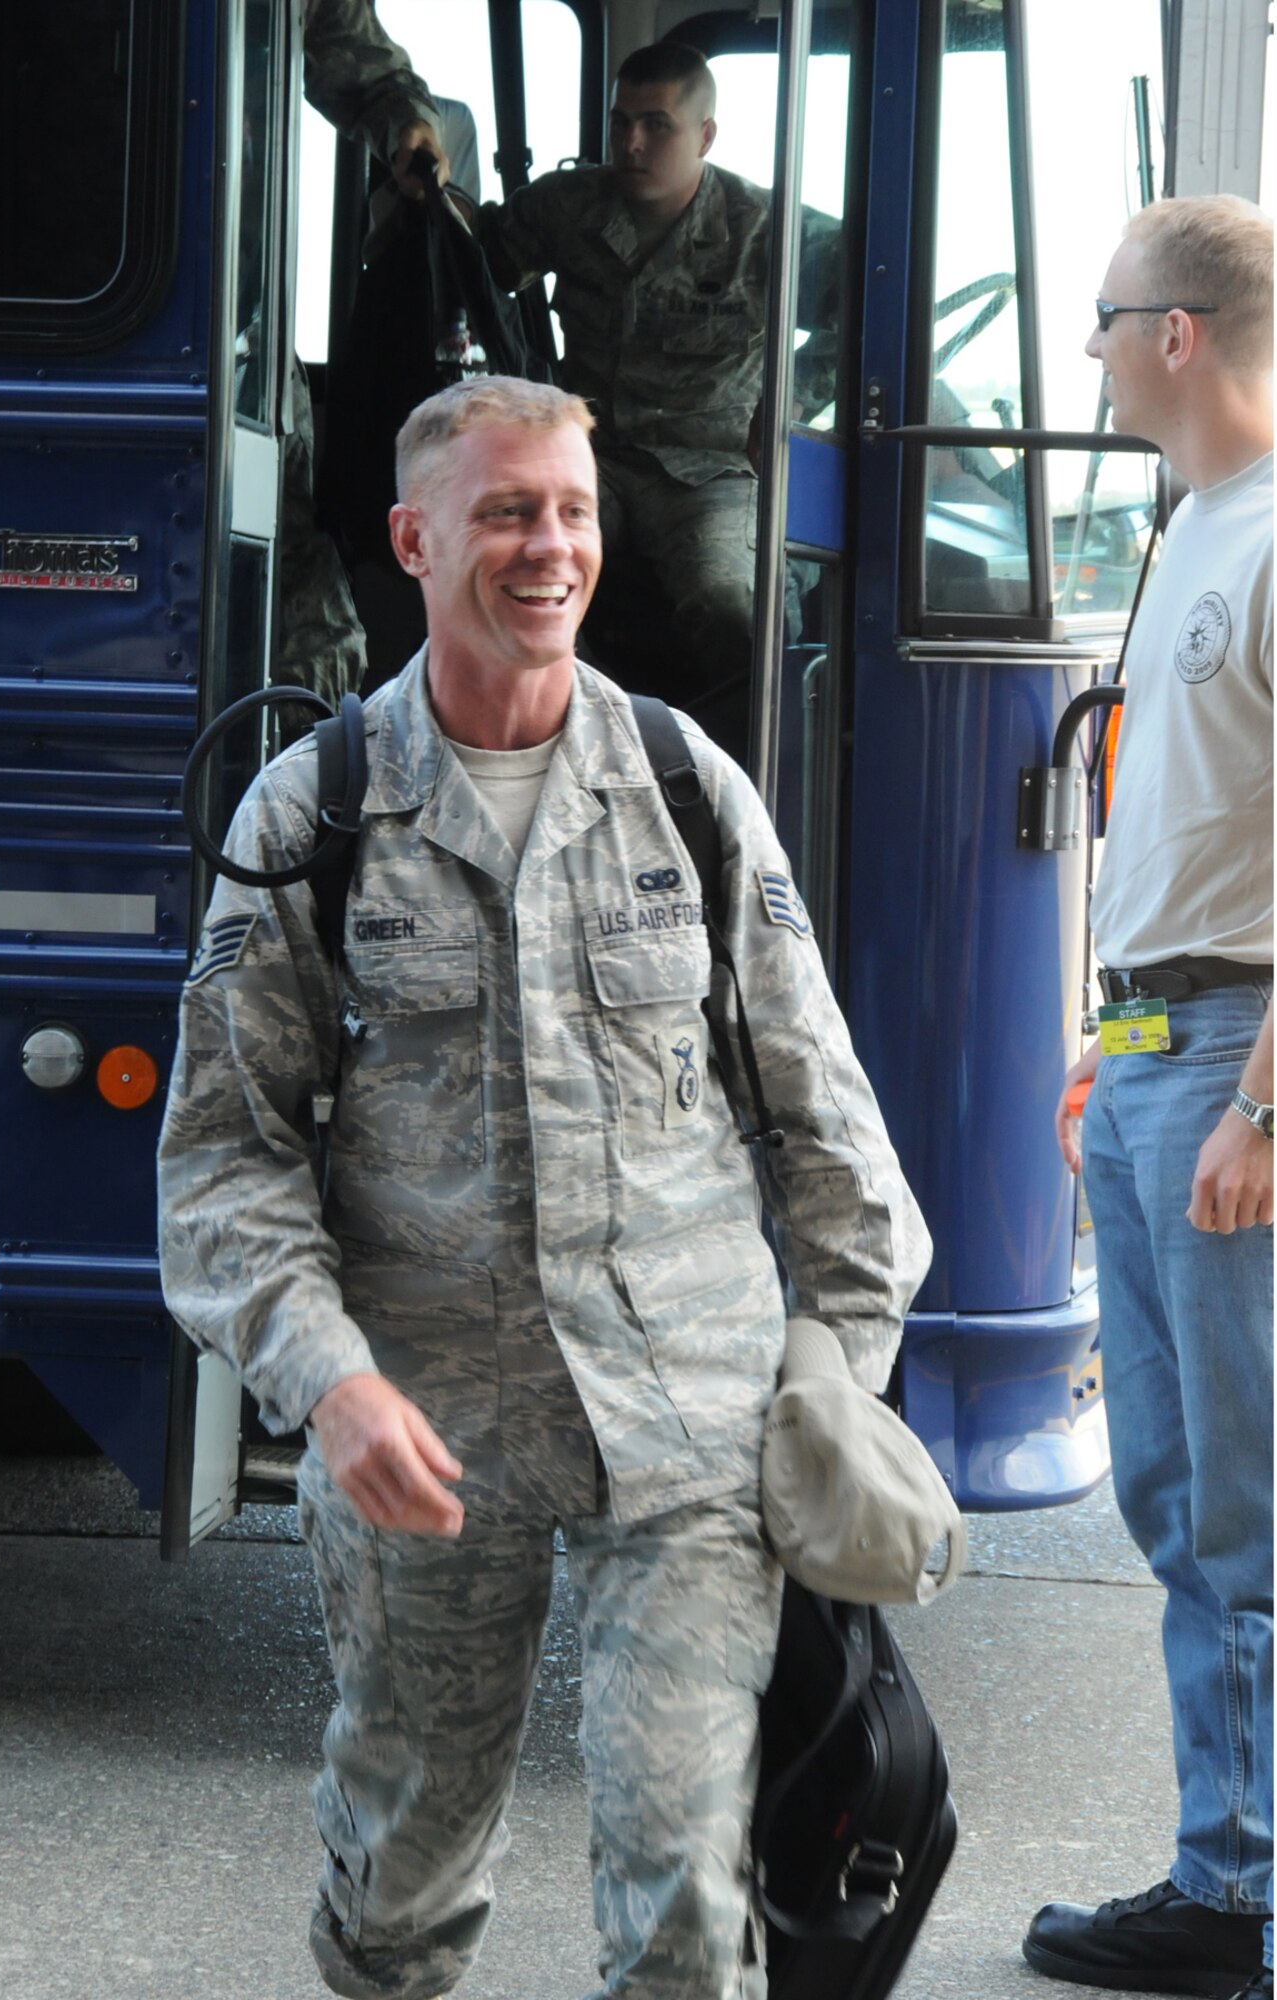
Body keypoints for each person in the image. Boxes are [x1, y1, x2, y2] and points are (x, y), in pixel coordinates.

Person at [157, 374, 930, 2000]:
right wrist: (329, 1382)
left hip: (691, 1435)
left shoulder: (683, 786)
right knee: (400, 1892)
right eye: (507, 509)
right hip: (424, 1442)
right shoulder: (314, 818)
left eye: (572, 510)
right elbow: (225, 1163)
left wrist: (829, 1385)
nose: (548, 546)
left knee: (680, 1903)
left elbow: (829, 1126)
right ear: (414, 537)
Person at [1023, 196, 1273, 2000]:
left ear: (1175, 332)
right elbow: (1186, 842)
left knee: (1239, 1514)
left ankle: (1235, 1898)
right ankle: (1225, 1873)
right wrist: (1101, 1054)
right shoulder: (1193, 525)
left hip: (1235, 1068)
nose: (1091, 350)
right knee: (1180, 1495)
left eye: (1103, 318)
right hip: (1154, 1060)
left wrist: (1265, 1105)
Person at [472, 42, 840, 761]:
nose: (631, 143)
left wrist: (786, 402)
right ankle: (524, 756)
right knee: (513, 570)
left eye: (656, 124)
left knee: (736, 606)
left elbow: (876, 302)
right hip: (587, 454)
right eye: (620, 122)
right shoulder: (566, 207)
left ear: (704, 135)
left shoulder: (763, 229)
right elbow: (474, 268)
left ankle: (737, 781)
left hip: (709, 467)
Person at [273, 0, 450, 730]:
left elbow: (370, 77)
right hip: (45, 346)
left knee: (318, 641)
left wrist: (407, 130)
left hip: (237, 346)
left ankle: (299, 824)